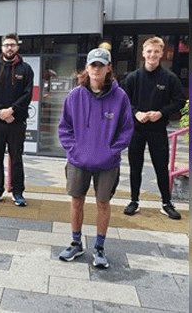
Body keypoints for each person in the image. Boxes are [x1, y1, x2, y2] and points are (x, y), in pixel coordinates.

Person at [57, 48, 133, 268]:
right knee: (76, 201)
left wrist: (111, 151)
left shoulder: (120, 97)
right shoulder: (74, 96)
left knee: (103, 203)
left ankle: (99, 248)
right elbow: (65, 128)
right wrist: (74, 149)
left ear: (109, 68)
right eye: (93, 65)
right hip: (78, 160)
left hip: (107, 163)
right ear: (87, 68)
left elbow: (126, 130)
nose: (97, 69)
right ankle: (76, 243)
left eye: (101, 65)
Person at [121, 37, 187, 220]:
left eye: (156, 51)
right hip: (136, 130)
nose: (152, 55)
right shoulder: (133, 78)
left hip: (158, 130)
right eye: (149, 51)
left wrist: (162, 112)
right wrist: (135, 113)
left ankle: (166, 203)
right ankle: (134, 201)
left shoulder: (169, 78)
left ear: (162, 54)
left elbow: (179, 101)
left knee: (161, 167)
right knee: (135, 167)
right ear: (143, 53)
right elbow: (123, 101)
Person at [0, 32, 34, 206]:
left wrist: (12, 111)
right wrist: (1, 113)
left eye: (12, 45)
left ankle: (17, 192)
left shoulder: (25, 70)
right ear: (2, 47)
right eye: (6, 45)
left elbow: (27, 95)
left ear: (17, 47)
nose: (9, 48)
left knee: (16, 158)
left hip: (16, 122)